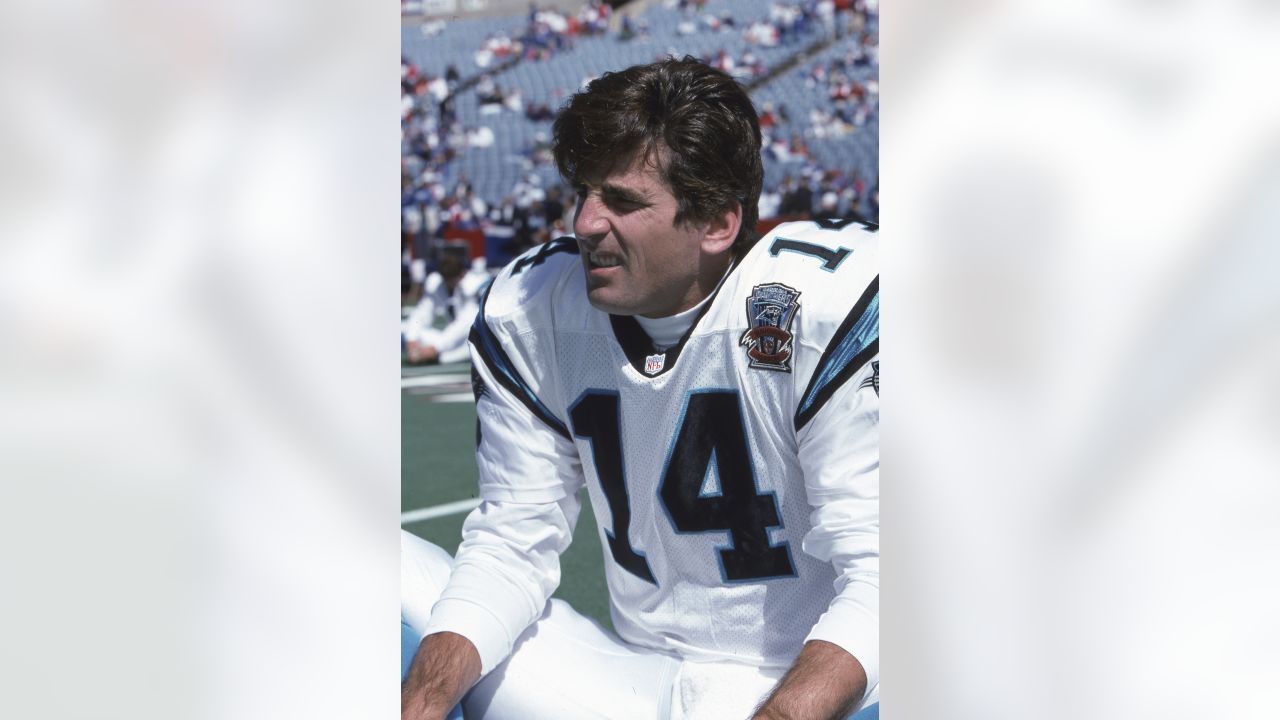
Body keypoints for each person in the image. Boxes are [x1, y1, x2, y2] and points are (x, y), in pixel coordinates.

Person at [402, 57, 879, 719]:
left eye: (623, 201)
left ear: (717, 223)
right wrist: (423, 700)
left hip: (825, 681)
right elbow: (512, 544)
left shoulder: (823, 307)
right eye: (585, 193)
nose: (586, 222)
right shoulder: (534, 306)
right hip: (637, 676)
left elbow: (885, 582)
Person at [402, 242, 489, 365]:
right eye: (446, 279)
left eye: (452, 279)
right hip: (449, 339)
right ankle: (431, 354)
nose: (449, 284)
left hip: (474, 338)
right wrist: (412, 340)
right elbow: (423, 312)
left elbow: (464, 324)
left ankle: (438, 357)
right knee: (412, 331)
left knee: (475, 349)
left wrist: (435, 348)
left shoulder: (474, 286)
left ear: (462, 274)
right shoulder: (437, 283)